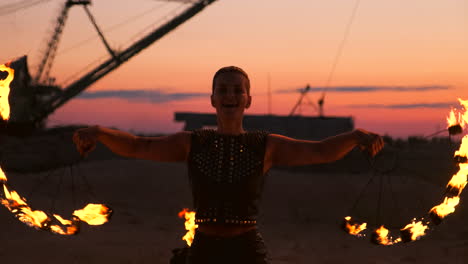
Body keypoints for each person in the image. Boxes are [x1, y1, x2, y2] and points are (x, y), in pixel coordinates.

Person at [73, 66, 384, 264]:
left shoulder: (266, 145)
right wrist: (100, 132)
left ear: (248, 100)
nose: (230, 95)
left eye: (238, 90)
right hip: (203, 249)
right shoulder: (192, 142)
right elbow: (138, 146)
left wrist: (355, 136)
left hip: (247, 250)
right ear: (212, 100)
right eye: (223, 89)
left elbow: (319, 152)